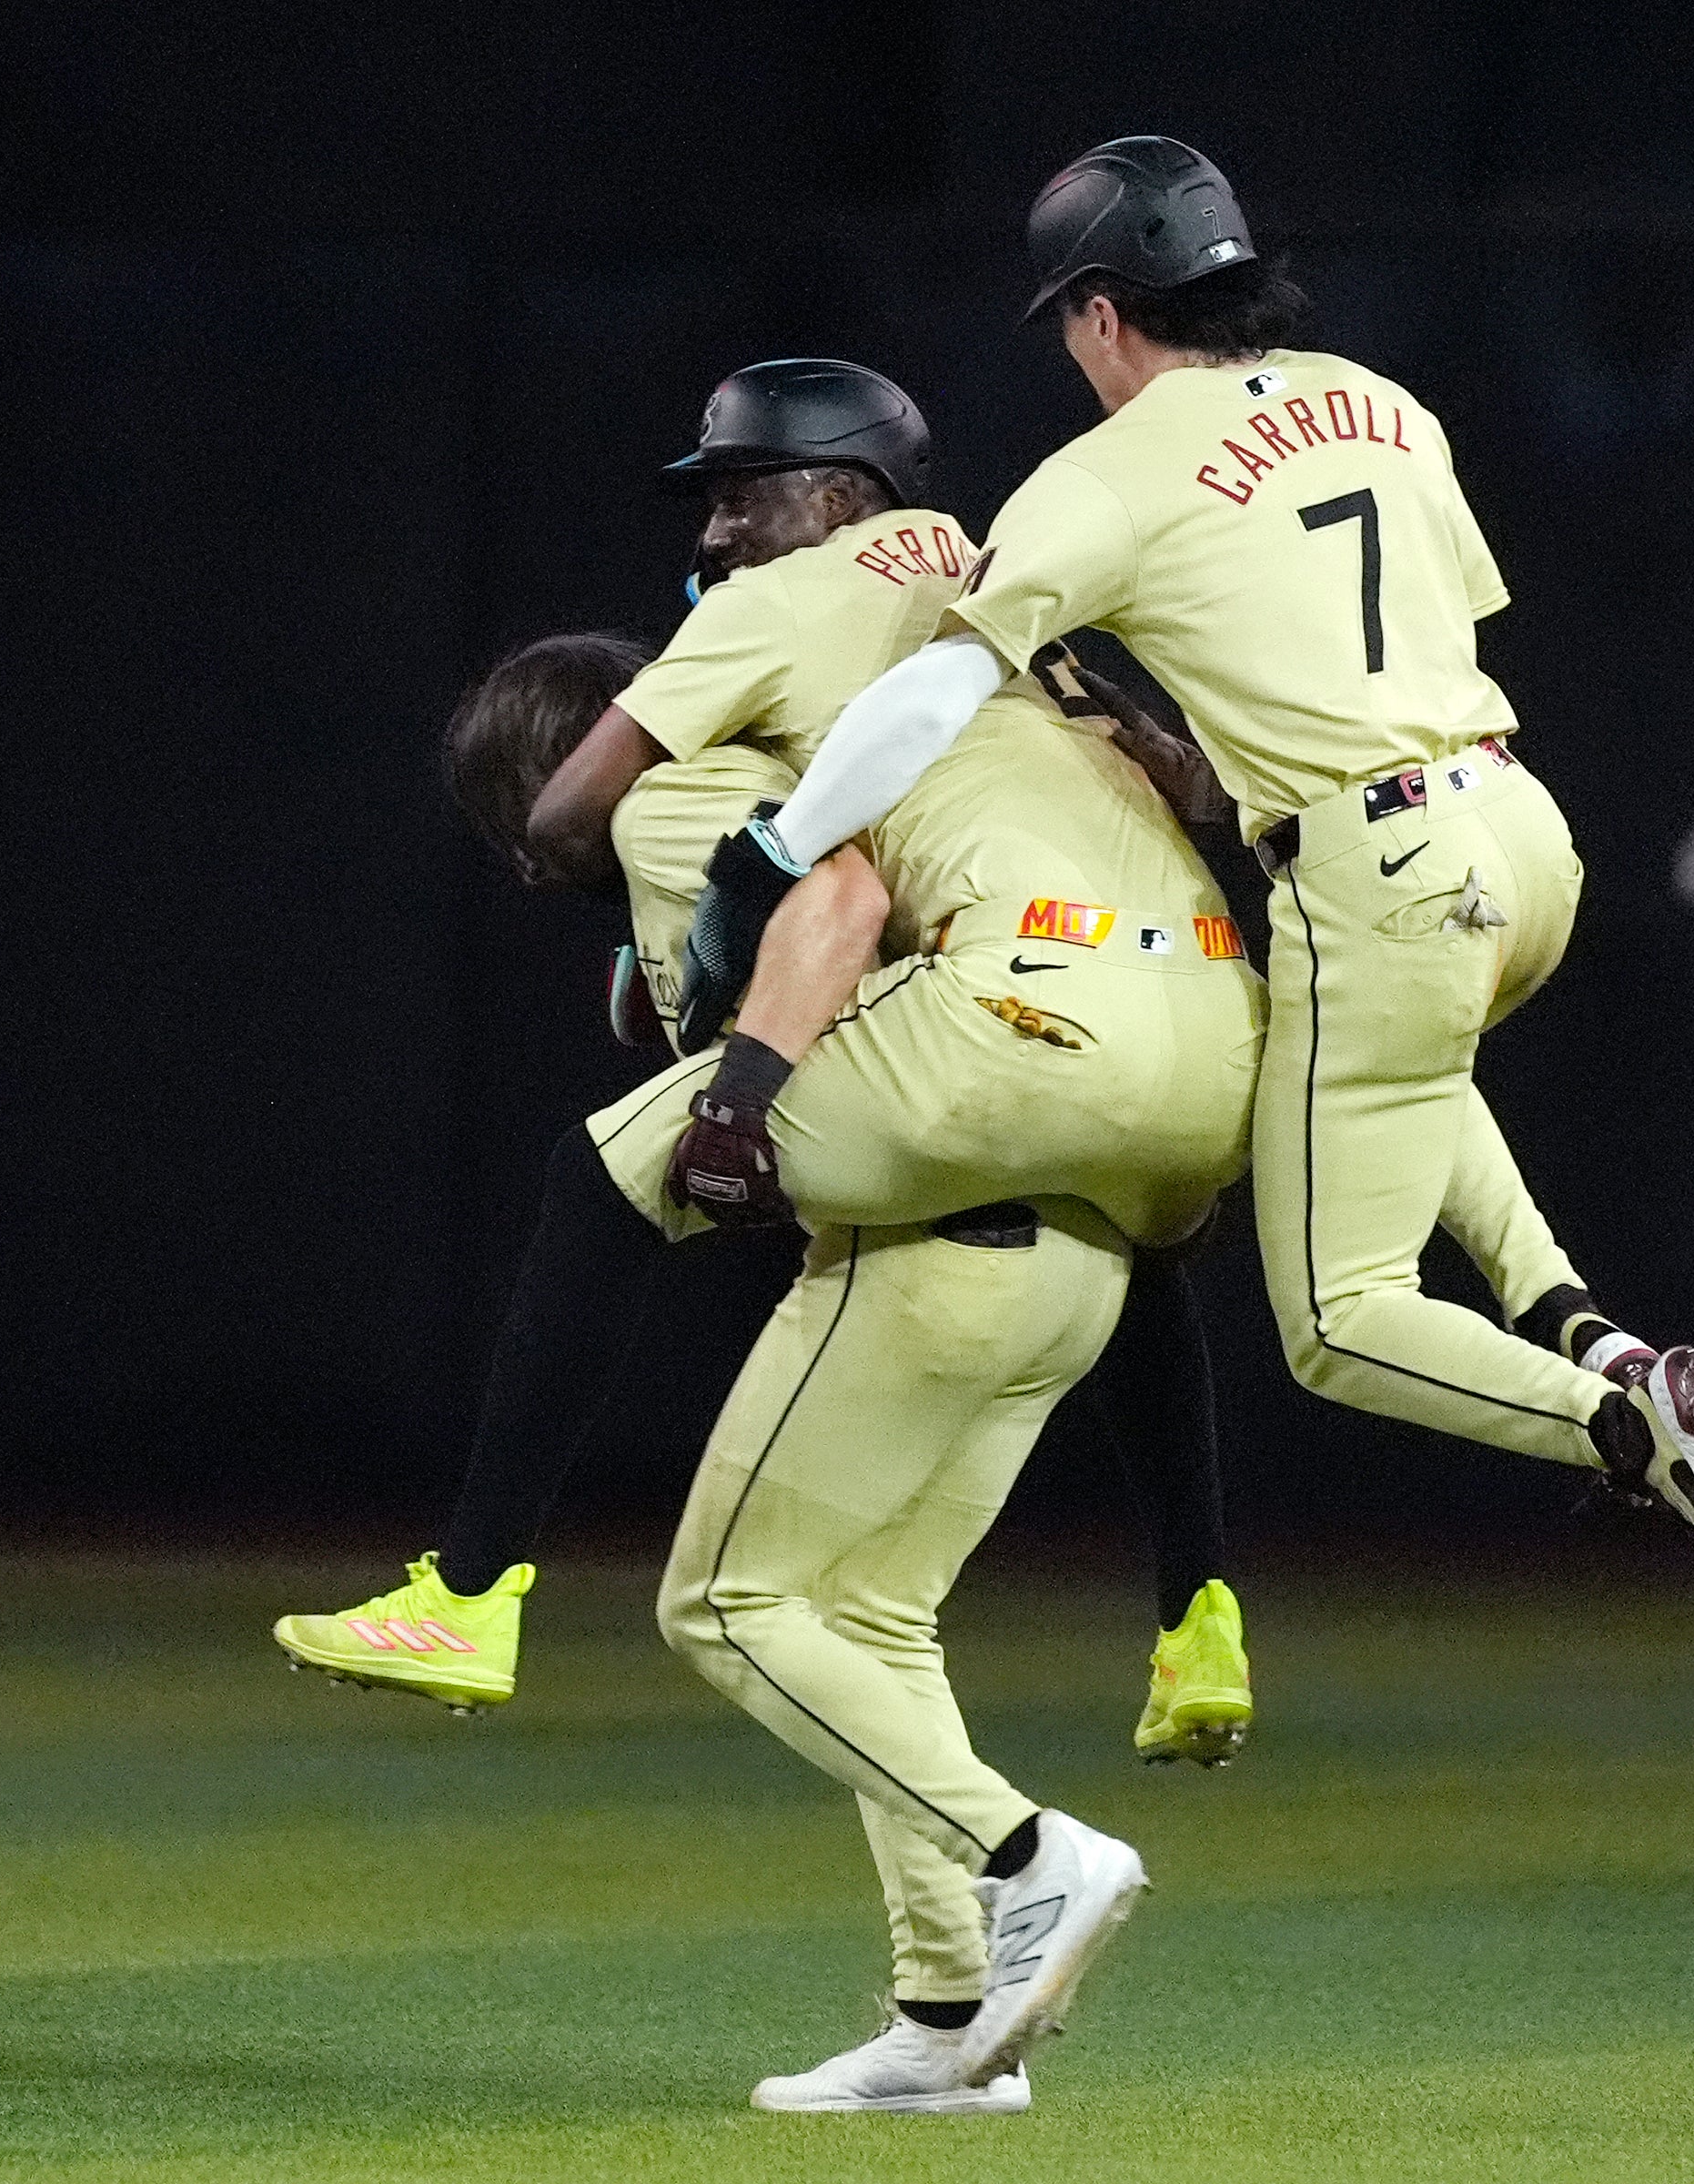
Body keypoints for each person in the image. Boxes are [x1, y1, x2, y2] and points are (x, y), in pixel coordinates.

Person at [280, 360, 1269, 2108]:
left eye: (742, 491)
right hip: (1137, 1157)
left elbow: (726, 858)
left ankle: (485, 1593)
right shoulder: (1021, 608)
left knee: (721, 1580)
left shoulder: (752, 654)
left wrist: (721, 1066)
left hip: (994, 1079)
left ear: (838, 496)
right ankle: (956, 2022)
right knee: (871, 1626)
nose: (717, 533)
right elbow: (1183, 782)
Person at [685, 142, 1694, 1619]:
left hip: (1377, 862)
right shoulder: (1388, 410)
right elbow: (1398, 639)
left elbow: (929, 698)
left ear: (1099, 312)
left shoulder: (1104, 472)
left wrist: (770, 852)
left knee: (1343, 1320)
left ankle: (1622, 1428)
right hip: (1519, 835)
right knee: (1383, 1060)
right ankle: (1589, 1329)